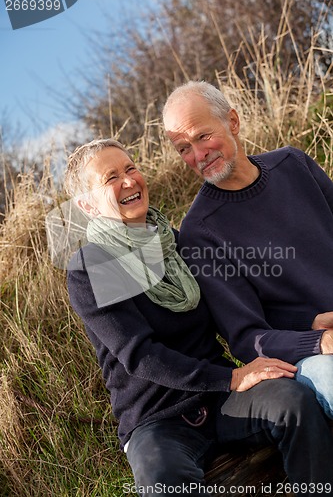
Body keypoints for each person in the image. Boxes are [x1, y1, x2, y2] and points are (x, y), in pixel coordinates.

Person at [64, 138, 333, 497]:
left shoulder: (175, 244)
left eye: (130, 168)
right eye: (111, 177)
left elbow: (237, 309)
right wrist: (233, 376)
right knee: (164, 483)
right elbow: (141, 355)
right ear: (87, 204)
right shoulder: (92, 264)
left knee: (294, 403)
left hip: (221, 400)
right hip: (156, 417)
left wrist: (308, 324)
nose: (129, 181)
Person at [162, 80, 333, 420]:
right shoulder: (200, 233)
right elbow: (246, 337)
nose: (197, 156)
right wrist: (319, 341)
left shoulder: (293, 164)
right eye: (183, 148)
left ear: (233, 122)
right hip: (313, 354)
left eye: (202, 136)